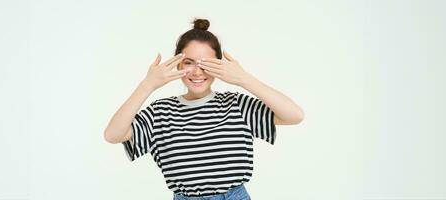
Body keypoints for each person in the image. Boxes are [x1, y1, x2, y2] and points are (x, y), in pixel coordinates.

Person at [104, 18, 304, 200]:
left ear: (219, 65)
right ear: (178, 64)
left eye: (206, 64)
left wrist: (244, 79)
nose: (197, 72)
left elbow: (294, 115)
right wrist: (147, 85)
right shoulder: (160, 112)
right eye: (189, 63)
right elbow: (113, 135)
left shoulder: (236, 105)